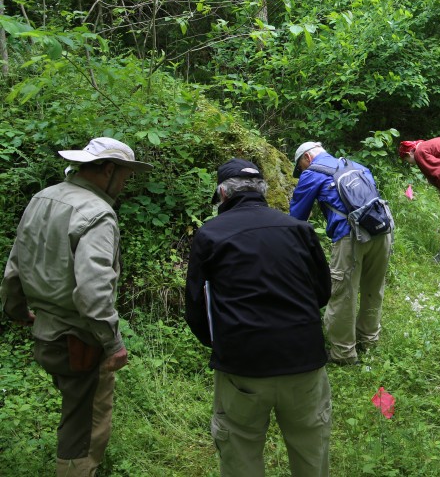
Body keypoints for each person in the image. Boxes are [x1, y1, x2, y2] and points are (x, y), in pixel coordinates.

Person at [1, 137, 152, 476]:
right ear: (109, 170)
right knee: (82, 426)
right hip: (78, 339)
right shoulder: (98, 214)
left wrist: (15, 311)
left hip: (46, 335)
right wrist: (113, 343)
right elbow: (93, 291)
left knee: (77, 411)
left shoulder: (44, 197)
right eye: (126, 175)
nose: (126, 184)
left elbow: (15, 265)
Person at [186, 158, 332, 477]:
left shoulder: (210, 234)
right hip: (303, 359)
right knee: (311, 446)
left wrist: (222, 343)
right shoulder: (300, 229)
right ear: (263, 191)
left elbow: (195, 307)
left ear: (222, 194)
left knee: (239, 448)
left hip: (241, 365)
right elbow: (322, 293)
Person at [290, 142, 392, 366]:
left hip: (351, 237)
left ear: (307, 157)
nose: (302, 171)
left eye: (301, 166)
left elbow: (296, 218)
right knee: (374, 288)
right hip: (382, 231)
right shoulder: (356, 166)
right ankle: (369, 340)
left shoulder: (313, 174)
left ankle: (343, 354)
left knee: (343, 293)